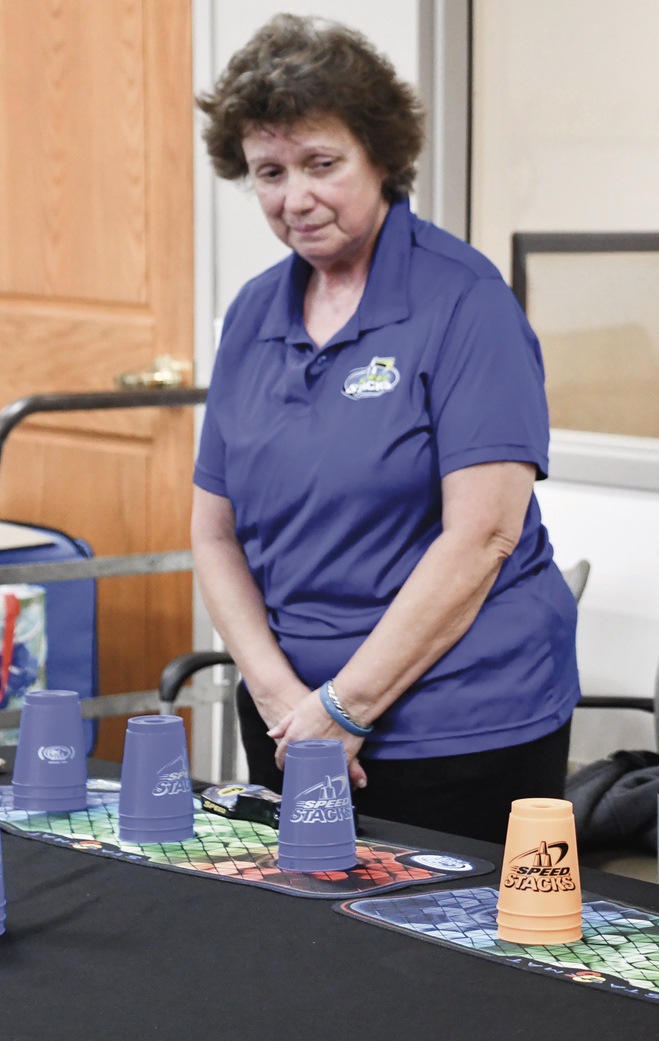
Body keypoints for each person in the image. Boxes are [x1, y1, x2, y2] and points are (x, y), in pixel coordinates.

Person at [191, 14, 580, 844]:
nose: (295, 197)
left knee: (446, 969)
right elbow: (214, 534)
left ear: (380, 156)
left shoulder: (466, 302)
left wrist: (346, 707)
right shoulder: (253, 312)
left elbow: (483, 536)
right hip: (290, 721)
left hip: (461, 725)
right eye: (269, 172)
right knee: (301, 957)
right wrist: (278, 699)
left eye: (321, 164)